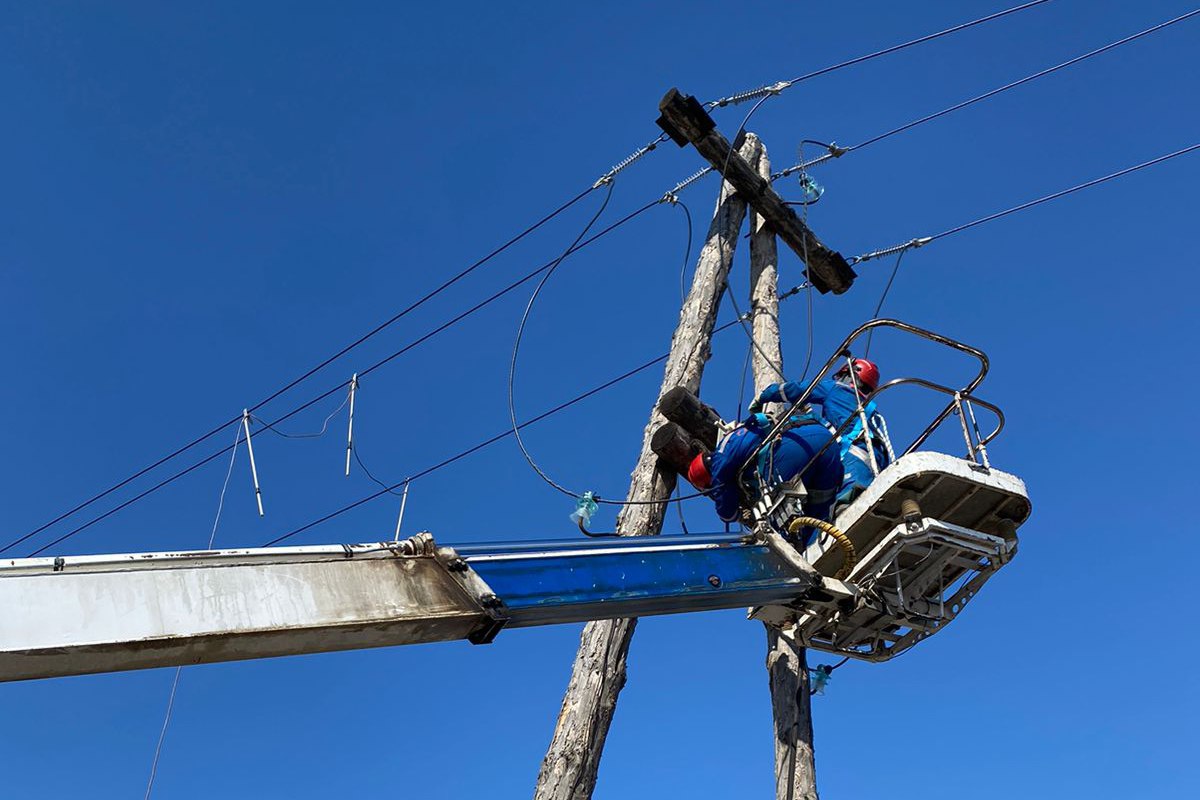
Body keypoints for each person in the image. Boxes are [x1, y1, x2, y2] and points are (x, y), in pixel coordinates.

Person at [751, 358, 893, 508]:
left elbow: (798, 389)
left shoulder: (836, 389)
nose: (838, 379)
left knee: (847, 503)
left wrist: (764, 396)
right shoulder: (869, 411)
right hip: (877, 458)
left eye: (840, 376)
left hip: (854, 455)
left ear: (849, 375)